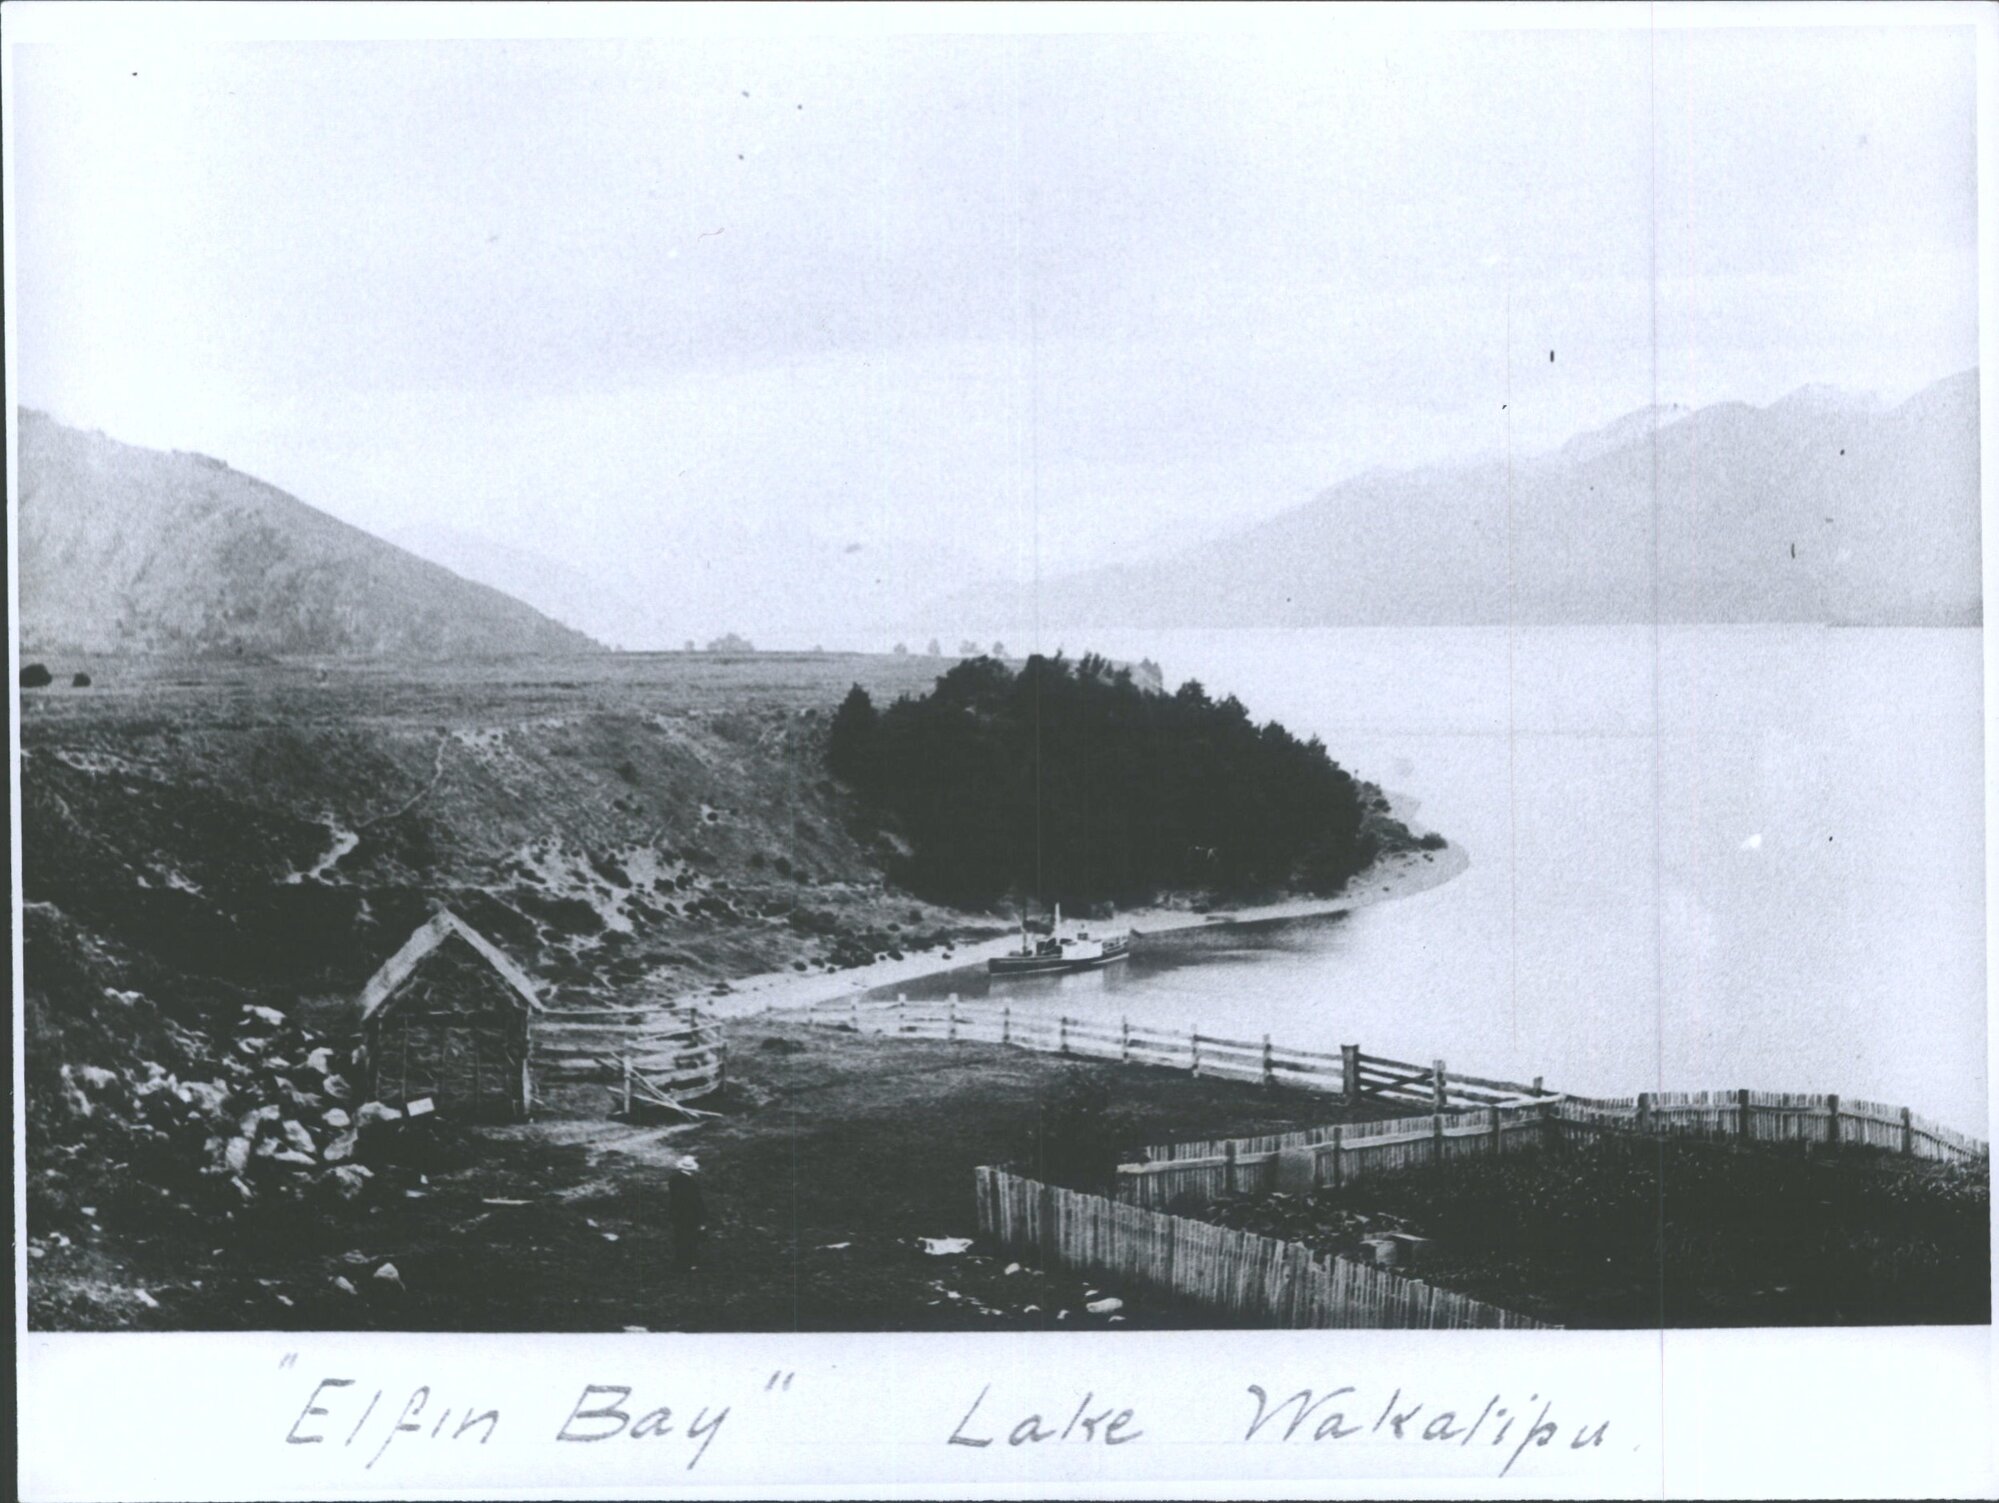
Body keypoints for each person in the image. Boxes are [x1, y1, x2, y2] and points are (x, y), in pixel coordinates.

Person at [667, 1156, 707, 1273]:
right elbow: (696, 1202)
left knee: (679, 1237)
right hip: (690, 1215)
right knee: (691, 1239)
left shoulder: (673, 1179)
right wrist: (702, 1218)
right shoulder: (691, 1183)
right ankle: (691, 1263)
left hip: (677, 1214)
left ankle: (680, 1262)